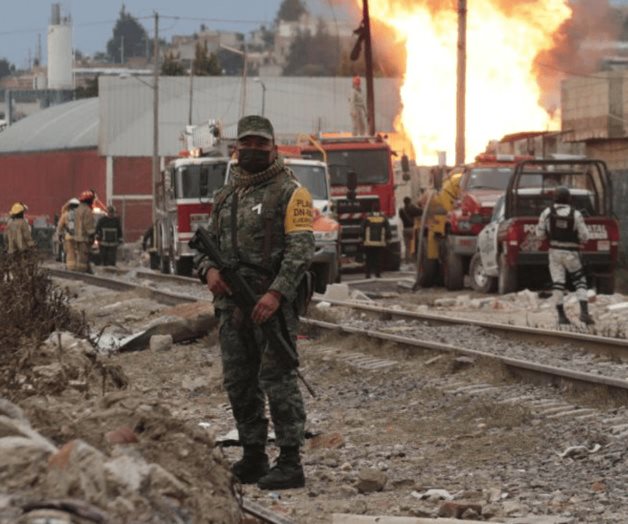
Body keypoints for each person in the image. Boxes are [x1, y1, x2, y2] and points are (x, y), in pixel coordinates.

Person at [196, 115, 315, 490]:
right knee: (239, 382)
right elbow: (205, 246)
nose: (252, 150)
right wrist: (208, 272)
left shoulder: (290, 191)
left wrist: (276, 294)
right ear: (236, 147)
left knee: (277, 380)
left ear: (273, 147)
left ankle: (291, 462)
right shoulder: (226, 195)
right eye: (246, 143)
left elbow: (300, 251)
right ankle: (253, 456)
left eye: (261, 144)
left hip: (270, 303)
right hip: (231, 305)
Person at [536, 186, 593, 325]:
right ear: (569, 199)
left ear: (554, 198)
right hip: (572, 253)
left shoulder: (547, 212)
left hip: (554, 253)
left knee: (558, 283)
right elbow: (585, 236)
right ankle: (584, 313)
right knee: (580, 282)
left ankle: (562, 316)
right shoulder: (576, 214)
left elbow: (540, 235)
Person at [361, 207, 391, 278]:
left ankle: (368, 274)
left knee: (369, 259)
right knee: (378, 258)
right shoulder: (383, 218)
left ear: (372, 210)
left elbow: (362, 228)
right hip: (379, 243)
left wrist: (361, 237)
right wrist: (388, 238)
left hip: (368, 243)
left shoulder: (367, 217)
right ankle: (378, 273)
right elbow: (388, 229)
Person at [74, 190, 96, 273]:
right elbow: (88, 225)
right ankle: (82, 273)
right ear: (89, 200)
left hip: (77, 237)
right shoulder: (87, 210)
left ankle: (85, 270)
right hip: (84, 238)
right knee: (84, 256)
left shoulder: (78, 209)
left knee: (80, 256)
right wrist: (92, 235)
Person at [56, 198, 80, 270]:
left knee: (70, 252)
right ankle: (78, 267)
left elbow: (60, 226)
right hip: (79, 237)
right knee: (78, 252)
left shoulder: (65, 214)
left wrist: (59, 235)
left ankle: (70, 267)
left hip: (69, 237)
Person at [399, 196, 422, 263]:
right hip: (412, 229)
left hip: (405, 229)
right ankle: (414, 260)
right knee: (415, 245)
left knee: (407, 246)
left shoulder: (401, 210)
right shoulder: (412, 208)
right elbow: (421, 211)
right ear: (409, 202)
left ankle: (407, 261)